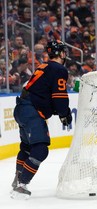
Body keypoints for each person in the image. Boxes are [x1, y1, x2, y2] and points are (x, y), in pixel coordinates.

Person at [11, 40, 72, 199]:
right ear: (62, 54)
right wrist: (64, 113)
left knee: (26, 147)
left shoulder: (44, 66)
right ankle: (21, 184)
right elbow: (59, 96)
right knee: (40, 149)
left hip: (22, 108)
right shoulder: (59, 69)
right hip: (31, 110)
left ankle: (18, 179)